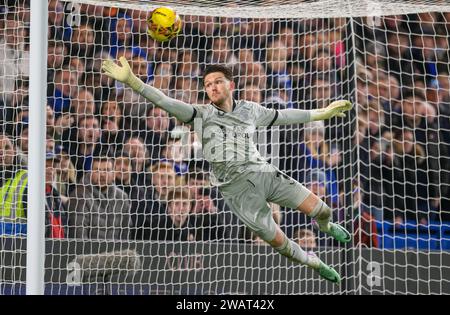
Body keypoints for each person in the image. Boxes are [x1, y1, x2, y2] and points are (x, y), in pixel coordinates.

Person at [102, 57, 353, 284]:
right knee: (282, 245)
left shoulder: (250, 109)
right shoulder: (199, 115)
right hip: (239, 194)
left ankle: (327, 227)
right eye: (208, 84)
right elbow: (163, 100)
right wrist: (134, 81)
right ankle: (315, 263)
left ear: (230, 85)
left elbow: (285, 115)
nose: (212, 87)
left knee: (323, 210)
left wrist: (322, 113)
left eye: (218, 81)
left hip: (265, 175)